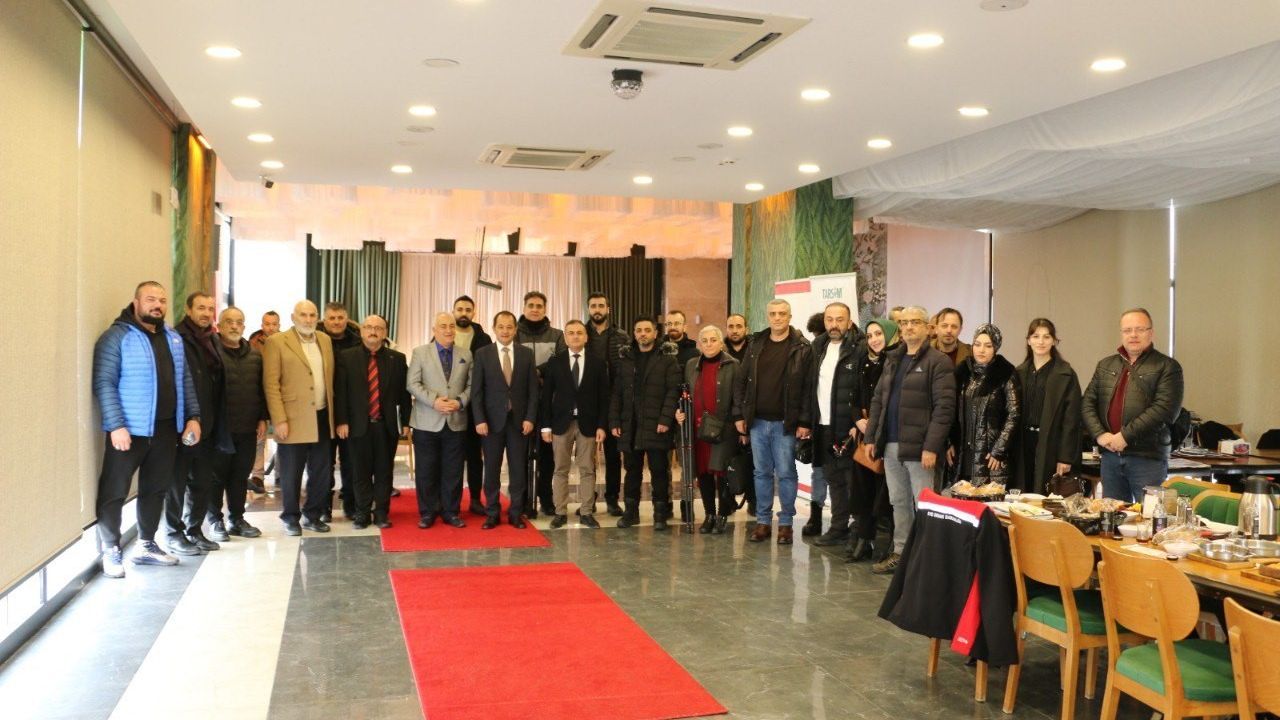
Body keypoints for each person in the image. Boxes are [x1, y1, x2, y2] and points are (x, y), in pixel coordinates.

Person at [92, 281, 200, 577]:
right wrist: (116, 425)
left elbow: (185, 381)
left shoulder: (173, 338)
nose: (158, 305)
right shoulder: (117, 337)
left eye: (162, 300)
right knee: (114, 491)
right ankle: (111, 549)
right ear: (136, 302)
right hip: (129, 431)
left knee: (155, 490)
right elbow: (104, 383)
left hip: (166, 430)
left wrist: (193, 417)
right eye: (151, 299)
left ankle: (146, 545)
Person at [864, 305, 956, 574]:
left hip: (920, 449)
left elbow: (944, 409)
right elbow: (878, 400)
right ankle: (901, 553)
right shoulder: (893, 358)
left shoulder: (938, 362)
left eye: (915, 322)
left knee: (925, 505)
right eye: (904, 323)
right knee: (899, 502)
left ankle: (926, 560)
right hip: (891, 445)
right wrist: (871, 437)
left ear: (928, 328)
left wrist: (932, 447)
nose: (909, 327)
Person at [1082, 308, 1184, 502]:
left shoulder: (1167, 367)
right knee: (1112, 515)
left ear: (1151, 333)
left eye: (1140, 329)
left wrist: (1125, 436)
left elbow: (1165, 410)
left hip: (1147, 458)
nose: (1133, 335)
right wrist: (1100, 435)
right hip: (1110, 456)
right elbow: (1087, 403)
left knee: (1152, 515)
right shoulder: (1105, 365)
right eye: (1127, 330)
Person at [736, 299, 814, 546]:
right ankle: (762, 522)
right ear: (767, 316)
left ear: (790, 316)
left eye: (782, 313)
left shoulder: (802, 347)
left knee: (787, 474)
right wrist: (740, 415)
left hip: (786, 423)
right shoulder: (755, 344)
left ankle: (786, 524)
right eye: (773, 313)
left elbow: (808, 388)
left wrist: (805, 421)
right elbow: (742, 380)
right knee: (761, 473)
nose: (777, 318)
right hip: (757, 422)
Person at [263, 300, 336, 535]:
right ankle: (291, 517)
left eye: (312, 315)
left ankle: (312, 516)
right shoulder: (277, 342)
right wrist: (279, 420)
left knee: (321, 471)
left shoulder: (324, 340)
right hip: (292, 419)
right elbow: (271, 384)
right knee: (291, 473)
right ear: (293, 317)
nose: (308, 319)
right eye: (303, 315)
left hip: (322, 415)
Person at [336, 314, 411, 529]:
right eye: (368, 327)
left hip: (386, 426)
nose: (373, 331)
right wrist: (341, 421)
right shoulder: (346, 357)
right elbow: (340, 392)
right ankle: (362, 513)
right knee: (360, 473)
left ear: (385, 333)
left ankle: (381, 513)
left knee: (384, 472)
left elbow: (404, 394)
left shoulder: (397, 359)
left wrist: (406, 421)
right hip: (357, 426)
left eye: (378, 328)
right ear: (361, 331)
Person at [165, 291, 224, 556]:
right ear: (188, 310)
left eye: (210, 309)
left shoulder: (212, 339)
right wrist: (190, 417)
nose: (206, 313)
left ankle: (195, 530)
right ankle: (173, 533)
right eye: (201, 308)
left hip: (208, 425)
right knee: (177, 482)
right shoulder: (175, 338)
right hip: (184, 425)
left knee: (202, 481)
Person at [610, 317, 681, 530]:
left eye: (647, 330)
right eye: (639, 330)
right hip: (630, 425)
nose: (643, 334)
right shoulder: (626, 359)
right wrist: (615, 421)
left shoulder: (667, 359)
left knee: (659, 471)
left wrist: (665, 419)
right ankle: (631, 513)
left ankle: (660, 515)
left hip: (657, 425)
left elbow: (673, 392)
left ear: (655, 333)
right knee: (632, 471)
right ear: (634, 333)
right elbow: (617, 393)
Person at [471, 311, 539, 529]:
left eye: (510, 327)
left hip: (519, 423)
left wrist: (530, 418)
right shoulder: (483, 354)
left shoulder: (526, 354)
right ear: (494, 328)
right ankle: (492, 512)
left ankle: (515, 513)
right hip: (491, 423)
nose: (505, 331)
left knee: (518, 469)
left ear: (515, 329)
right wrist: (479, 419)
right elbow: (476, 391)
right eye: (501, 327)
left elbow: (533, 391)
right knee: (491, 469)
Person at [539, 320, 609, 528]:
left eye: (579, 332)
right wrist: (545, 426)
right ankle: (560, 512)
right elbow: (546, 397)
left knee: (587, 469)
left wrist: (601, 426)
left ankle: (586, 512)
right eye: (571, 333)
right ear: (565, 337)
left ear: (586, 337)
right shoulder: (555, 362)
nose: (575, 336)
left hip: (588, 424)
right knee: (560, 469)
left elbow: (604, 398)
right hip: (561, 424)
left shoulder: (598, 363)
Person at [674, 325, 741, 534]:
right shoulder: (691, 365)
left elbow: (738, 398)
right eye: (705, 341)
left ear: (721, 343)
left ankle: (722, 515)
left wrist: (739, 424)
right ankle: (709, 514)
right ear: (700, 344)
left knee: (721, 474)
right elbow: (683, 395)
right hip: (698, 430)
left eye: (713, 340)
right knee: (703, 473)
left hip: (724, 430)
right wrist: (680, 411)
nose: (709, 344)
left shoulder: (733, 365)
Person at [206, 306, 266, 541]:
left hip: (247, 427)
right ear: (219, 326)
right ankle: (215, 520)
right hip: (219, 429)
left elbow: (260, 389)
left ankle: (237, 519)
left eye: (239, 322)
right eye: (229, 322)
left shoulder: (254, 356)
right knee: (216, 477)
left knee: (240, 476)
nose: (234, 326)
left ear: (244, 326)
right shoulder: (210, 352)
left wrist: (262, 418)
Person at [406, 313, 471, 528]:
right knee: (426, 470)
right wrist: (434, 401)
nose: (448, 330)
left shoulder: (466, 354)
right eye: (443, 326)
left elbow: (472, 385)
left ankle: (451, 512)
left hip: (456, 419)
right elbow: (412, 384)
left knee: (453, 470)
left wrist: (459, 402)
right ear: (434, 330)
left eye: (451, 326)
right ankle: (427, 512)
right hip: (426, 421)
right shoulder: (420, 352)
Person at [809, 303, 861, 547]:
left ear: (849, 322)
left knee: (853, 482)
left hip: (849, 428)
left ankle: (858, 531)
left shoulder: (859, 348)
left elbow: (864, 390)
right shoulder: (817, 347)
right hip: (823, 426)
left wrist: (857, 422)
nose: (834, 324)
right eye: (830, 319)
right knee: (833, 479)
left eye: (840, 320)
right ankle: (838, 527)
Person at [848, 317, 899, 562]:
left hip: (887, 436)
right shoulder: (865, 361)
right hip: (864, 436)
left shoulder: (897, 362)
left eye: (879, 334)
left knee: (887, 495)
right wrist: (857, 419)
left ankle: (888, 545)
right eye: (869, 335)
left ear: (890, 334)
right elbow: (854, 396)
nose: (874, 340)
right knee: (864, 491)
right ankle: (864, 540)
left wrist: (875, 426)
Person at [1013, 318, 1083, 493]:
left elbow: (1071, 419)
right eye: (1036, 336)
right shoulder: (1019, 372)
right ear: (1028, 341)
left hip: (1052, 444)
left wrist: (1065, 457)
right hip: (1023, 443)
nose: (1041, 341)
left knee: (1046, 496)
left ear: (1054, 341)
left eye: (1046, 336)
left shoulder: (1066, 374)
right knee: (1022, 494)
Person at [947, 324, 1021, 487]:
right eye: (977, 344)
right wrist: (949, 441)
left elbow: (1014, 415)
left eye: (988, 346)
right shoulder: (962, 373)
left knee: (987, 500)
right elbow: (951, 410)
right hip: (962, 454)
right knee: (961, 497)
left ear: (995, 348)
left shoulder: (1005, 373)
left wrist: (999, 449)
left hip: (990, 455)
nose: (981, 350)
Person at [516, 291, 566, 518]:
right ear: (524, 308)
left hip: (549, 403)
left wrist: (537, 371)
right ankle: (523, 500)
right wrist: (529, 375)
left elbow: (561, 362)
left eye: (539, 306)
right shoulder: (514, 334)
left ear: (545, 309)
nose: (535, 309)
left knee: (548, 457)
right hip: (522, 404)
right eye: (531, 305)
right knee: (520, 455)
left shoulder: (557, 335)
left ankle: (546, 499)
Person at [585, 292, 629, 517]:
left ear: (608, 309)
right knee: (587, 456)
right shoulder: (581, 333)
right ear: (588, 309)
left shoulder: (622, 336)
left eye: (601, 305)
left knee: (613, 456)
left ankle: (612, 499)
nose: (597, 309)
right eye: (593, 306)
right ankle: (588, 499)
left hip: (614, 402)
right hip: (588, 401)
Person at [322, 302, 362, 521]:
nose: (336, 322)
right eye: (332, 318)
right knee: (323, 462)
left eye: (340, 318)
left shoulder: (358, 341)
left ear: (346, 319)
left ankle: (351, 503)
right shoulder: (316, 340)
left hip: (351, 410)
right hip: (323, 409)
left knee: (351, 461)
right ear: (324, 319)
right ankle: (324, 506)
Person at [453, 295, 492, 514]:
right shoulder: (444, 334)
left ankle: (476, 499)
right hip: (450, 407)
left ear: (474, 313)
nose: (463, 313)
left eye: (468, 310)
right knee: (452, 457)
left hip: (475, 406)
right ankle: (451, 501)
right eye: (460, 309)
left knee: (475, 457)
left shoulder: (484, 338)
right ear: (454, 311)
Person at [800, 311, 829, 537]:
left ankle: (818, 518)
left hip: (835, 423)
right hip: (818, 422)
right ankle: (816, 516)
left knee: (825, 473)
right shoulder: (814, 350)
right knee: (819, 471)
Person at [724, 312, 755, 515]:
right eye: (731, 326)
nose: (735, 330)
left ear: (746, 329)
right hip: (725, 417)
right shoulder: (720, 350)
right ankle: (727, 502)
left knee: (753, 463)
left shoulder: (754, 351)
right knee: (727, 462)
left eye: (739, 326)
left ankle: (753, 500)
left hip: (750, 415)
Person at [248, 310, 281, 494]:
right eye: (267, 324)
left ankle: (281, 474)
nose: (271, 327)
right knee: (259, 437)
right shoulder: (252, 344)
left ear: (279, 325)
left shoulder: (286, 342)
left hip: (280, 395)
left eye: (274, 324)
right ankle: (257, 476)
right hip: (259, 395)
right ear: (262, 325)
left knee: (282, 436)